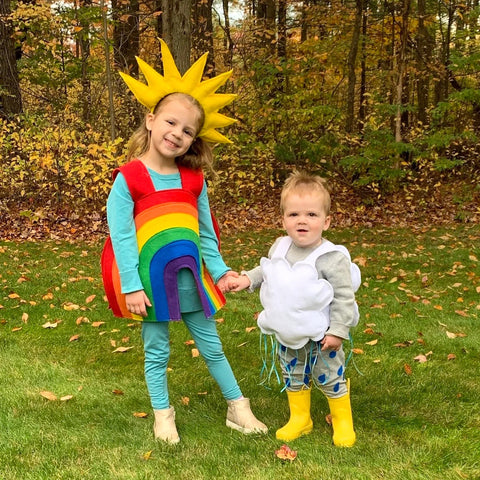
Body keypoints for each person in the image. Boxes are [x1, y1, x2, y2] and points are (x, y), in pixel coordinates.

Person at [102, 40, 267, 444]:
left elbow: (205, 234)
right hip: (150, 281)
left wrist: (221, 270)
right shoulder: (130, 178)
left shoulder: (194, 181)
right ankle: (163, 414)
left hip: (191, 280)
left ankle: (237, 408)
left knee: (212, 345)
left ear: (195, 140)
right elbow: (121, 234)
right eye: (171, 122)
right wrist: (132, 285)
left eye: (188, 130)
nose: (177, 133)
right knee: (156, 350)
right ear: (150, 119)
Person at [228, 171, 360, 447]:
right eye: (294, 214)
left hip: (322, 337)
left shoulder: (330, 258)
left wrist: (338, 331)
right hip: (287, 333)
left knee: (329, 376)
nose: (302, 220)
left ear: (326, 221)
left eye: (311, 215)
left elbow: (345, 298)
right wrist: (247, 279)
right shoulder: (280, 245)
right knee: (293, 374)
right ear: (283, 219)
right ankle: (301, 419)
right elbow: (266, 270)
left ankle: (342, 420)